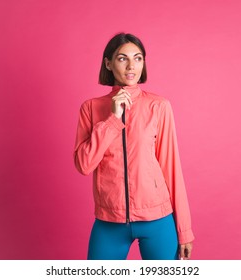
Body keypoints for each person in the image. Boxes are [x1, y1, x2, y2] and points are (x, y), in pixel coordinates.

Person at [73, 33, 194, 260]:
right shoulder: (90, 108)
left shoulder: (158, 106)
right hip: (110, 222)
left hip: (157, 219)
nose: (131, 66)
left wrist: (184, 230)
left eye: (138, 58)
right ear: (108, 63)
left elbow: (172, 169)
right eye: (122, 58)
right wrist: (112, 119)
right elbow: (84, 164)